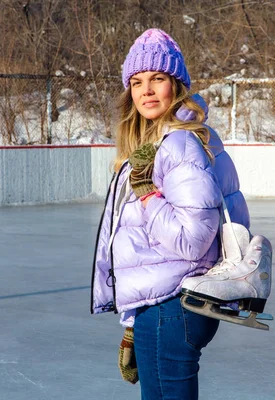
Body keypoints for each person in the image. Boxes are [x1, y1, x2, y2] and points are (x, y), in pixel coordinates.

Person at [90, 28, 250, 400]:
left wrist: (147, 195)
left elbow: (193, 240)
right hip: (168, 305)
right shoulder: (177, 138)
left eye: (157, 79)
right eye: (136, 81)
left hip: (172, 307)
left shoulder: (176, 143)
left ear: (175, 85)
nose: (145, 90)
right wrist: (132, 321)